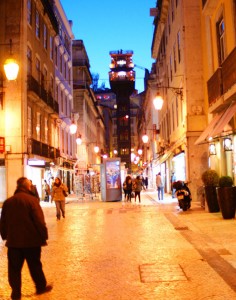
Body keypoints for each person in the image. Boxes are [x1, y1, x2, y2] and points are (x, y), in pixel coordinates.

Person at [0, 177, 52, 300]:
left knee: (14, 269)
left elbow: (3, 221)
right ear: (28, 187)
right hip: (32, 242)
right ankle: (40, 287)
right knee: (35, 265)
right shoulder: (32, 201)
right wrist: (43, 235)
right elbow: (39, 221)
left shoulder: (8, 202)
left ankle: (16, 293)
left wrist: (5, 235)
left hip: (14, 242)